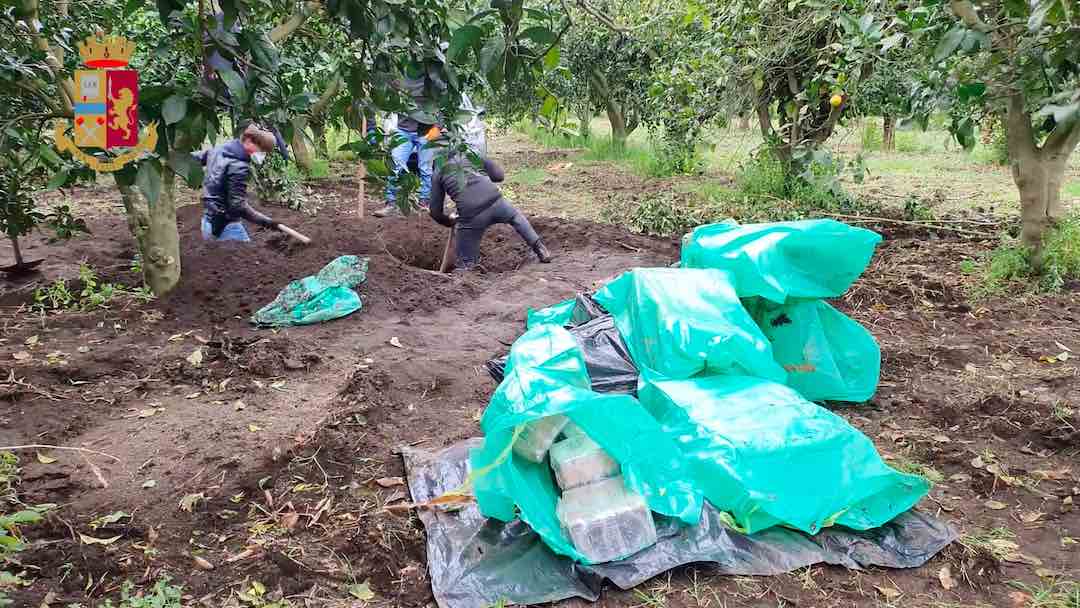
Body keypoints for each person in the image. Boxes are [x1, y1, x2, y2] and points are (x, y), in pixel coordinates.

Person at [429, 150, 552, 270]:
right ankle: (540, 249)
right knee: (515, 217)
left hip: (472, 216)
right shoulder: (471, 154)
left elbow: (435, 212)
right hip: (496, 201)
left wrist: (449, 221)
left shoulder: (438, 172)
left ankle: (468, 269)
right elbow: (499, 176)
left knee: (466, 262)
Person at [373, 71, 447, 217]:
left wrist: (438, 127)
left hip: (426, 131)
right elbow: (388, 96)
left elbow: (443, 104)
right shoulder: (401, 76)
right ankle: (391, 203)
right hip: (403, 130)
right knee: (395, 166)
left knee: (425, 168)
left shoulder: (432, 79)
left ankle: (424, 202)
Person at [193, 124, 279, 242]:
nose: (262, 155)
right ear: (248, 141)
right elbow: (237, 205)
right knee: (249, 258)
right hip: (227, 225)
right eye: (261, 150)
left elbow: (192, 159)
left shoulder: (218, 149)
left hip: (207, 221)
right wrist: (266, 222)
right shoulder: (239, 166)